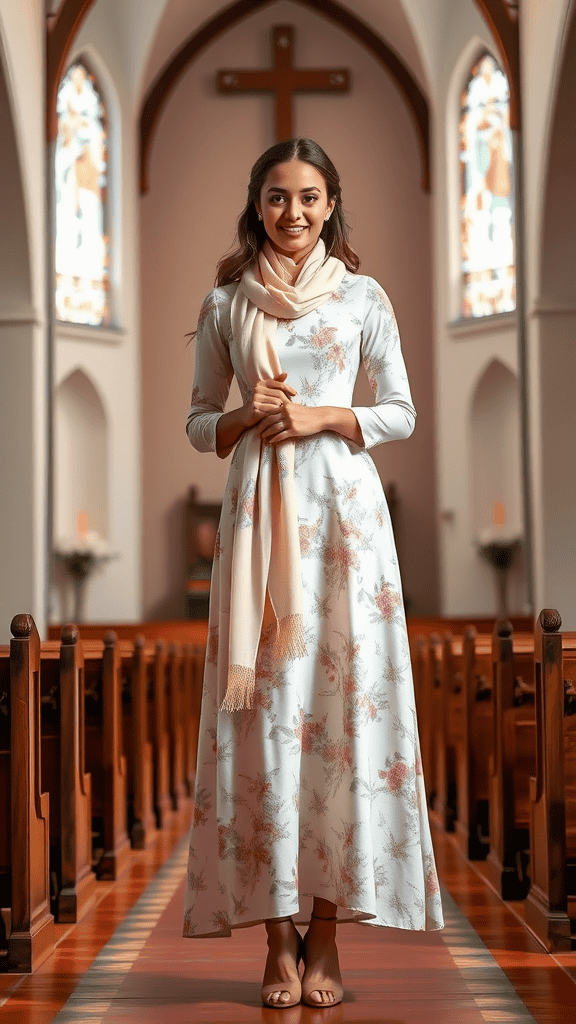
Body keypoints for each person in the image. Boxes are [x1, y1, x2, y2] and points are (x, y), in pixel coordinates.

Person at [182, 137, 444, 1009]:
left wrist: (326, 414)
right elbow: (194, 422)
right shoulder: (226, 304)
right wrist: (236, 418)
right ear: (255, 204)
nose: (292, 213)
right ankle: (272, 942)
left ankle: (326, 936)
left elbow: (400, 409)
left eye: (309, 197)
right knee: (263, 729)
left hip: (344, 529)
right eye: (276, 197)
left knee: (336, 725)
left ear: (331, 205)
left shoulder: (364, 297)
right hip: (258, 520)